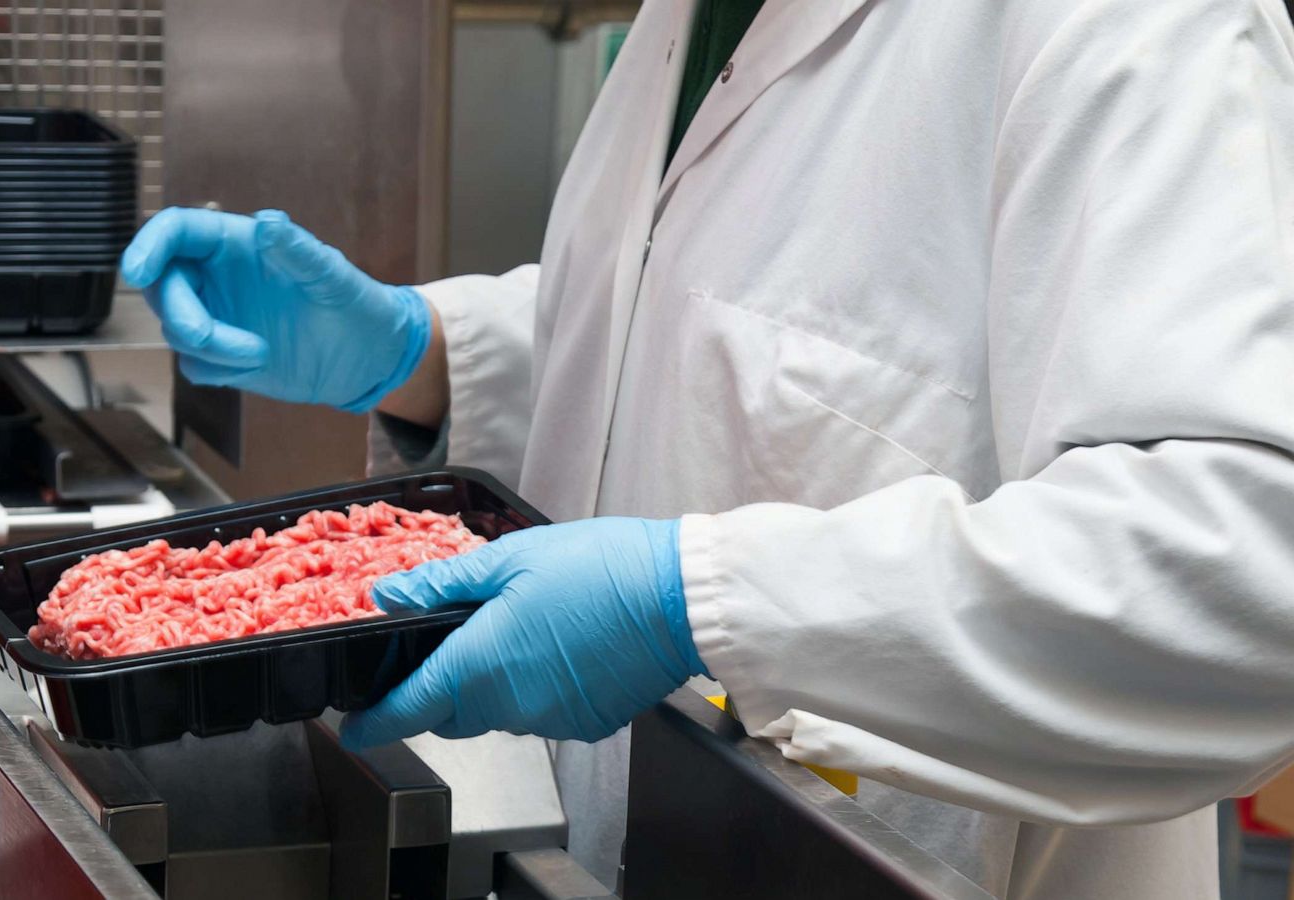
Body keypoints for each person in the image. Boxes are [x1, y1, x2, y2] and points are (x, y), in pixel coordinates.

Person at [120, 0, 1294, 896]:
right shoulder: (690, 21)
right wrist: (425, 352)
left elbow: (1245, 566)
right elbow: (714, 340)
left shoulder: (1138, 26)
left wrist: (697, 600)